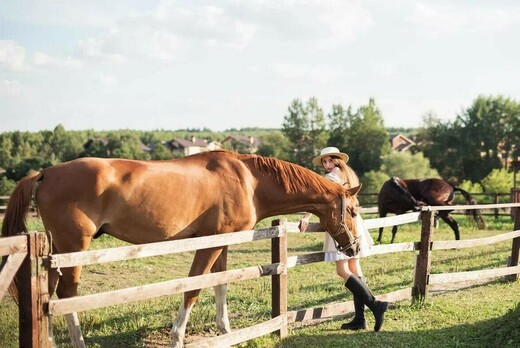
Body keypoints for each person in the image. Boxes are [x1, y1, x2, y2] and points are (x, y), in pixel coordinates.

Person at [299, 146, 388, 332]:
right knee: (355, 269)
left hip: (341, 225)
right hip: (354, 223)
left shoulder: (332, 177)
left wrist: (306, 217)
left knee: (343, 270)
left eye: (330, 160)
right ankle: (360, 319)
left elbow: (316, 198)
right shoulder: (349, 175)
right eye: (324, 162)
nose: (327, 164)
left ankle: (375, 305)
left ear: (337, 160)